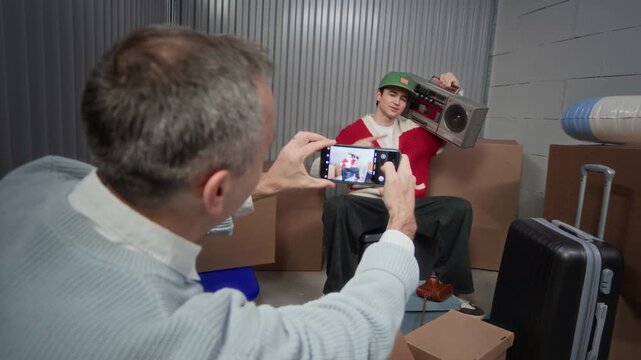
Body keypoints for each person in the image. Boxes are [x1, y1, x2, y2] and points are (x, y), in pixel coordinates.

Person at [0, 25, 421, 359]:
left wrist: (266, 182)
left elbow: (163, 207)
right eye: (263, 155)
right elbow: (358, 333)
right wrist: (400, 224)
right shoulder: (195, 336)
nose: (270, 163)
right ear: (216, 189)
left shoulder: (36, 178)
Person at [322, 71, 484, 317]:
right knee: (337, 206)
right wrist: (351, 152)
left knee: (459, 207)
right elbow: (322, 171)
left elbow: (457, 128)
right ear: (379, 95)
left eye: (404, 99)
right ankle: (337, 294)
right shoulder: (354, 131)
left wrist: (453, 94)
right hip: (369, 205)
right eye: (392, 94)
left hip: (410, 205)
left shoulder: (418, 130)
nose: (397, 102)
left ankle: (450, 290)